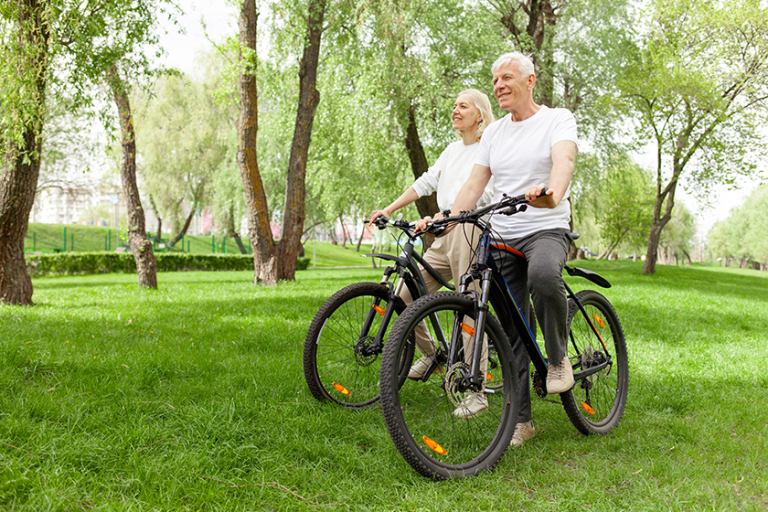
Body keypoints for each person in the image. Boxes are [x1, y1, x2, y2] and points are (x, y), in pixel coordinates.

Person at [416, 52, 579, 447]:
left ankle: (557, 359)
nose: (499, 85)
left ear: (530, 80)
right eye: (495, 79)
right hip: (502, 234)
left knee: (543, 276)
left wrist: (551, 193)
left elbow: (564, 160)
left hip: (545, 226)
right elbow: (474, 185)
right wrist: (449, 218)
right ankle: (522, 421)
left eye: (507, 77)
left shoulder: (557, 119)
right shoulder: (494, 133)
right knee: (510, 332)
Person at [369, 89, 495, 419]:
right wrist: (389, 207)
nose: (455, 110)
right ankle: (435, 354)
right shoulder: (453, 150)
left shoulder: (488, 147)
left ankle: (476, 391)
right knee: (405, 297)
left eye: (462, 106)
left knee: (470, 307)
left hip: (470, 229)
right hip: (444, 233)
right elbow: (426, 182)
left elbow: (487, 192)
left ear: (479, 114)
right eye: (454, 105)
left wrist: (449, 215)